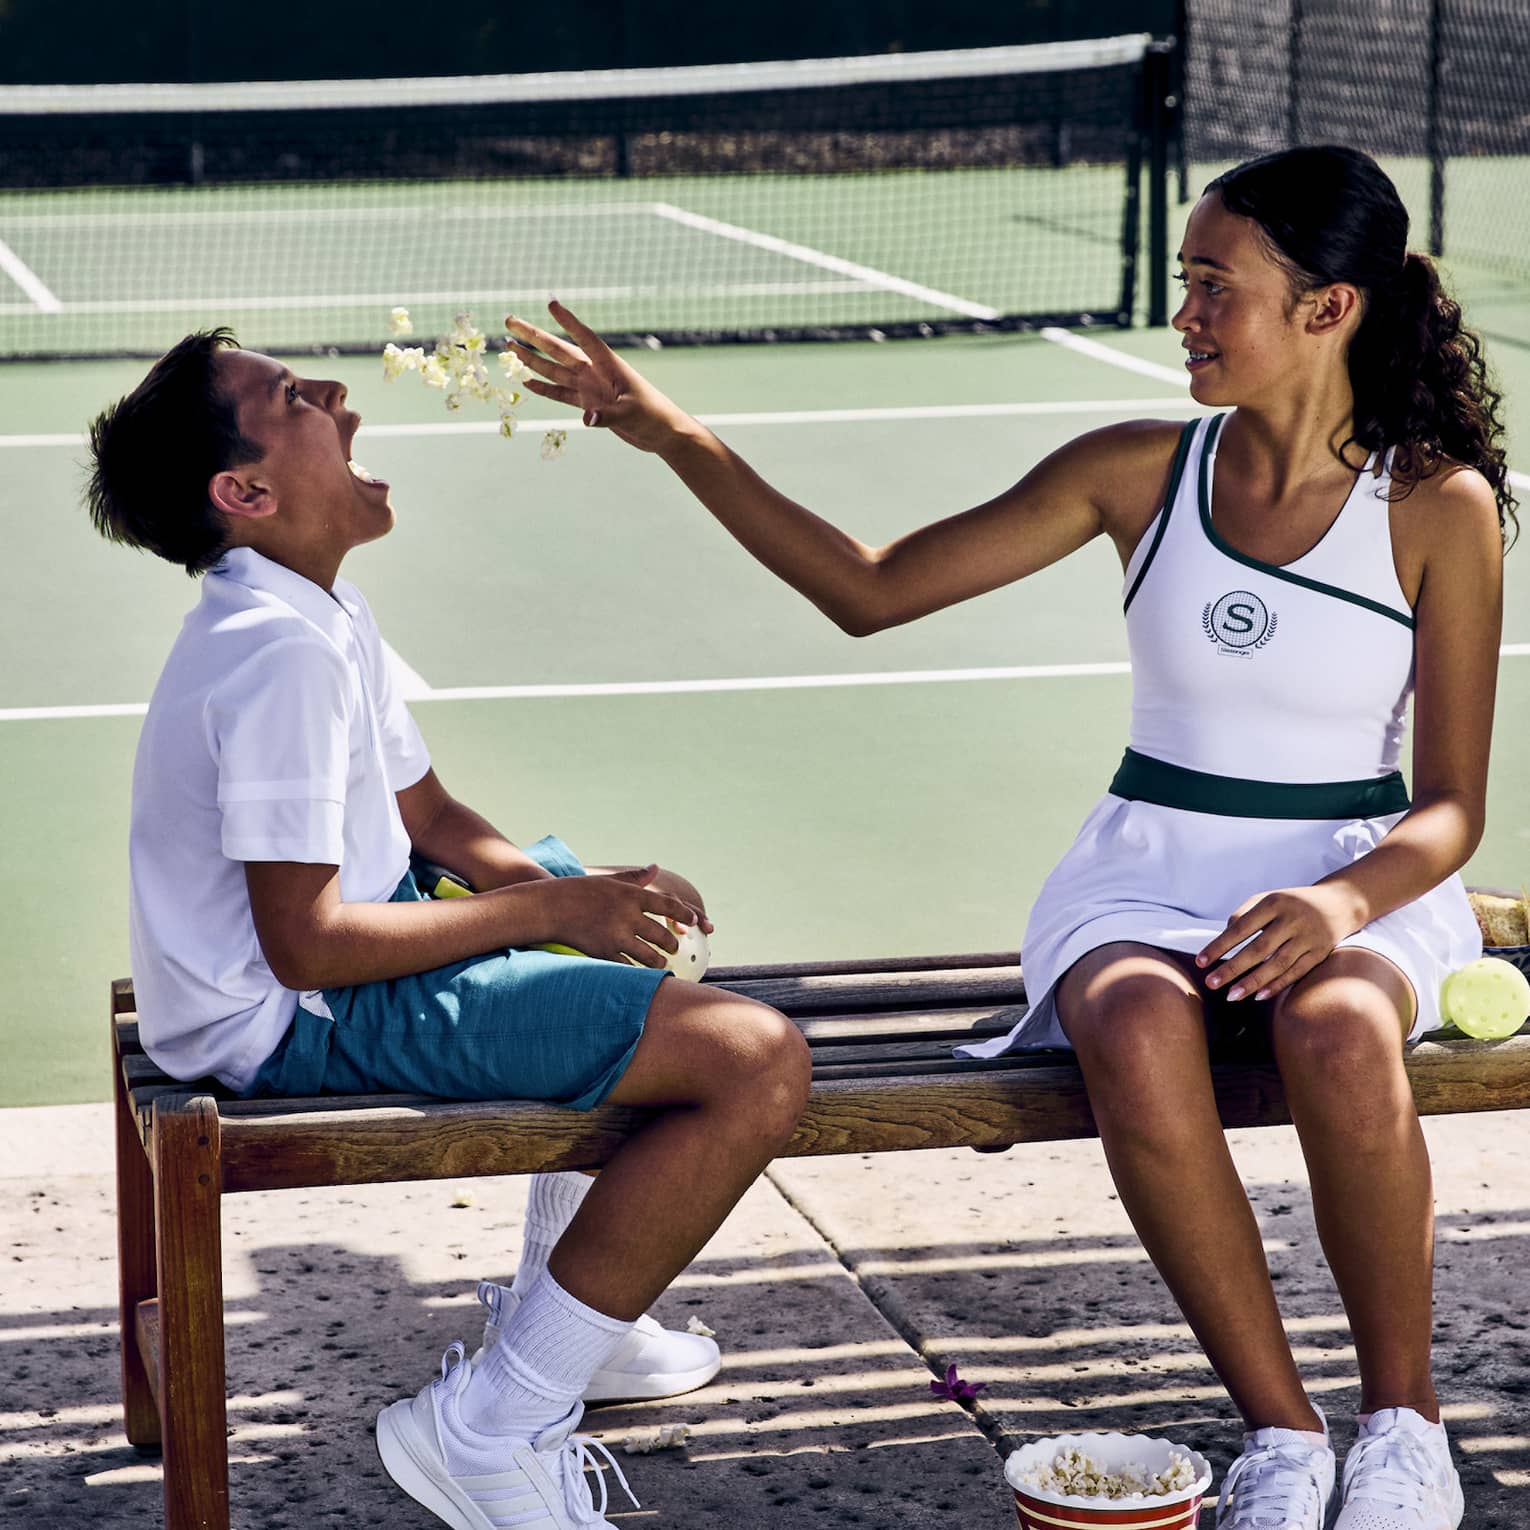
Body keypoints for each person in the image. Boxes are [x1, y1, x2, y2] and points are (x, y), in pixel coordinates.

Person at [504, 145, 1514, 1530]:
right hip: (1144, 873)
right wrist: (671, 432)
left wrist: (1337, 905)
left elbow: (1451, 803)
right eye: (1185, 284)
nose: (1186, 316)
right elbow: (868, 590)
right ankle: (1279, 1436)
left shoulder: (1436, 506)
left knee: (1336, 1032)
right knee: (1125, 1022)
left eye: (1218, 288)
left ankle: (1403, 1429)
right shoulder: (1131, 471)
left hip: (1350, 877)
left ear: (1329, 308)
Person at [85, 331, 813, 1530]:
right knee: (751, 1060)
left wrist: (575, 897)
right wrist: (552, 911)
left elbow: (427, 812)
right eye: (291, 397)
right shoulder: (274, 659)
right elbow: (307, 946)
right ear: (247, 493)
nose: (334, 398)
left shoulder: (318, 608)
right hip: (290, 1020)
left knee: (618, 931)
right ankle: (497, 1420)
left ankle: (575, 1325)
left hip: (334, 966)